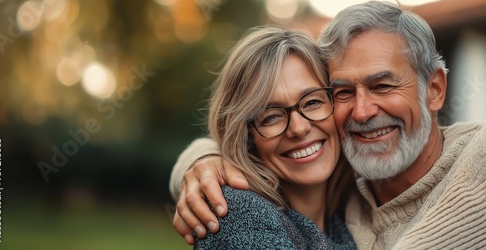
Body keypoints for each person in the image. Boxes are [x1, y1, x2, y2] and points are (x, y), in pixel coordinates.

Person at [171, 1, 486, 249]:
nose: (361, 112)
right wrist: (206, 164)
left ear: (435, 90)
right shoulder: (349, 183)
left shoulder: (478, 156)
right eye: (344, 92)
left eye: (383, 86)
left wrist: (204, 163)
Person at [185, 25, 356, 249]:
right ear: (246, 136)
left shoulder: (355, 209)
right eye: (271, 117)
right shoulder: (240, 214)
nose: (299, 127)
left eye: (313, 102)